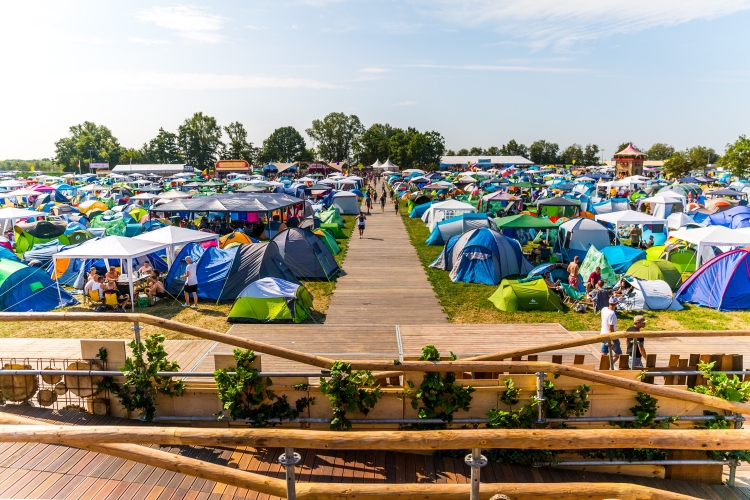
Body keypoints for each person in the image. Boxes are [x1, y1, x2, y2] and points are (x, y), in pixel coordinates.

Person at [600, 296, 620, 367]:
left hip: (603, 334)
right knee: (618, 353)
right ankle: (608, 365)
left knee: (604, 353)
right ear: (616, 303)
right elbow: (610, 328)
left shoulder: (604, 309)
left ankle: (602, 366)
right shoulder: (612, 314)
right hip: (610, 336)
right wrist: (613, 340)